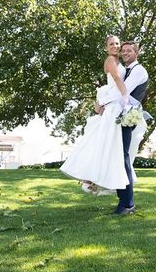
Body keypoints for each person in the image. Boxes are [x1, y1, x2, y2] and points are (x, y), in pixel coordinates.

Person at [59, 36, 131, 193]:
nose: (115, 46)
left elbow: (109, 87)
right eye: (111, 44)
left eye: (117, 43)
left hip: (115, 104)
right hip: (115, 107)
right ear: (106, 47)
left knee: (110, 145)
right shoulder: (110, 61)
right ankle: (91, 176)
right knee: (106, 143)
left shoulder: (119, 62)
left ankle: (99, 178)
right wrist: (126, 97)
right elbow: (117, 78)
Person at [112, 41, 149, 215]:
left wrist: (103, 101)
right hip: (120, 116)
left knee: (123, 157)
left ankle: (128, 204)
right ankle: (123, 200)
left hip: (128, 117)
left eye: (129, 50)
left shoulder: (139, 70)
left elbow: (124, 91)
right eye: (123, 50)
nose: (125, 53)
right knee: (118, 157)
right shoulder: (125, 70)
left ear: (136, 53)